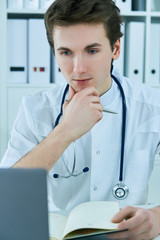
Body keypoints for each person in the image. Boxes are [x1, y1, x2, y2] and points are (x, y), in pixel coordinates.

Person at [1, 0, 160, 239]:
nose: (78, 69)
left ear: (116, 48)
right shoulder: (35, 109)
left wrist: (157, 218)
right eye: (65, 52)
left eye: (92, 50)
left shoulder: (152, 106)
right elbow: (6, 196)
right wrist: (65, 131)